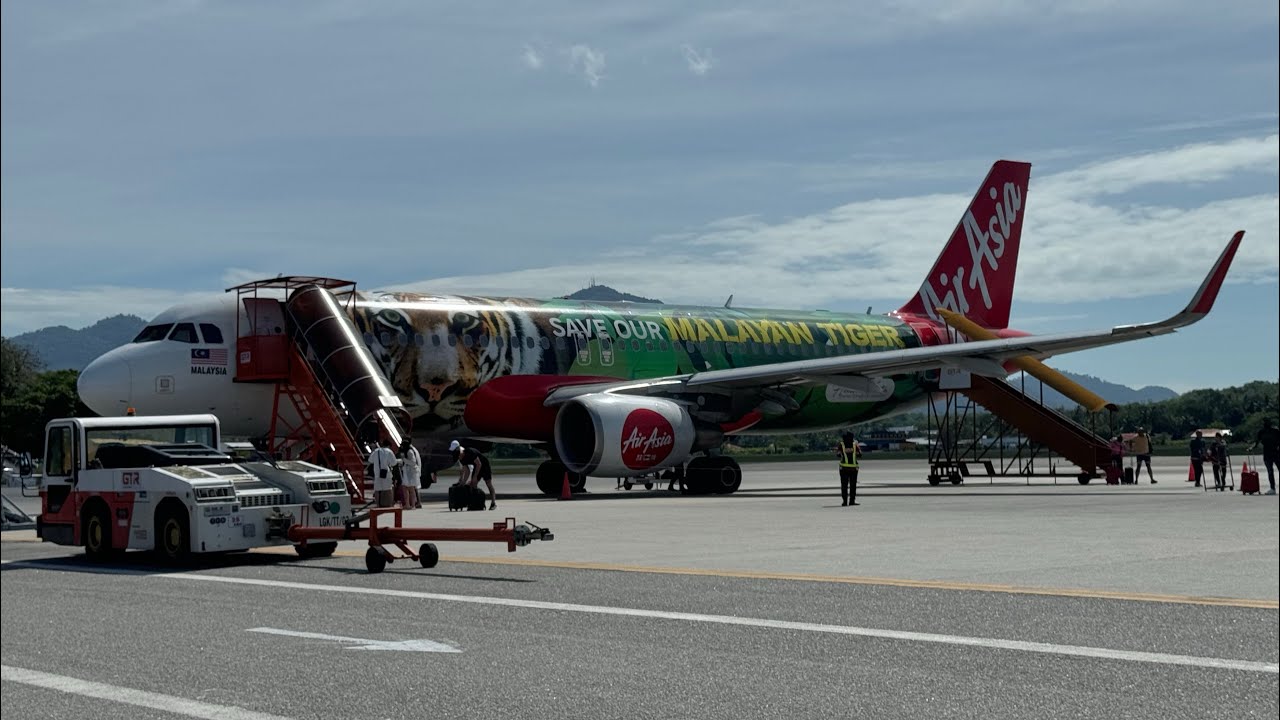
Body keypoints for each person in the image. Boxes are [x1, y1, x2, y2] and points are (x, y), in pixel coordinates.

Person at [450, 440, 496, 510]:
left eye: (458, 457)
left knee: (488, 483)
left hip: (484, 465)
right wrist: (463, 482)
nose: (459, 459)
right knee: (473, 484)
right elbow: (467, 471)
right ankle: (475, 504)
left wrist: (475, 477)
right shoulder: (462, 459)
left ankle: (493, 503)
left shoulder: (470, 452)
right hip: (477, 467)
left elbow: (479, 464)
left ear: (460, 453)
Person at [1248, 418, 1278, 495]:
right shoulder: (1261, 432)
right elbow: (1257, 442)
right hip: (1267, 454)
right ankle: (1272, 488)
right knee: (1270, 472)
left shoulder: (1275, 431)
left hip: (1277, 453)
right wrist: (1252, 447)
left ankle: (1272, 488)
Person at [368, 437, 400, 508]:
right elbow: (394, 463)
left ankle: (378, 504)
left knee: (377, 489)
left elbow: (370, 460)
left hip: (377, 473)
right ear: (389, 446)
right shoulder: (389, 451)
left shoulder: (376, 451)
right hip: (386, 473)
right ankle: (390, 503)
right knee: (389, 489)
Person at [836, 432, 861, 507]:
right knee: (853, 485)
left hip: (843, 468)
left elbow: (838, 454)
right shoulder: (855, 444)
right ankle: (852, 501)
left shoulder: (842, 444)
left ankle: (844, 502)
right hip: (853, 468)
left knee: (844, 485)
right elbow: (859, 454)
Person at [399, 439, 423, 509]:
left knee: (411, 489)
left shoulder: (410, 451)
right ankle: (408, 504)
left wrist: (404, 460)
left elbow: (413, 462)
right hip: (407, 472)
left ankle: (412, 505)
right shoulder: (407, 452)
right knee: (405, 488)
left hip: (411, 473)